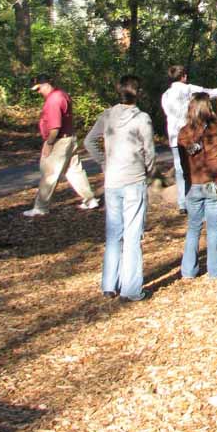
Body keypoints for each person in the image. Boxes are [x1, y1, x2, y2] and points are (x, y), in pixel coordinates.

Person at [84, 75, 156, 303]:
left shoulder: (108, 115)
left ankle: (108, 284)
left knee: (114, 234)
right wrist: (147, 170)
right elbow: (150, 151)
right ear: (139, 93)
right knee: (133, 235)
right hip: (133, 180)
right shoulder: (142, 118)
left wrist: (105, 163)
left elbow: (89, 141)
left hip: (113, 181)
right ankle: (131, 288)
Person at [178, 93, 217, 280]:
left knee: (193, 227)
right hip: (215, 182)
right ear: (209, 108)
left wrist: (189, 181)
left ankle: (189, 270)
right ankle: (214, 270)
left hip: (195, 183)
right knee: (213, 227)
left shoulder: (184, 132)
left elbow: (183, 163)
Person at [160, 66, 217, 214]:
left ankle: (183, 203)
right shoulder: (188, 89)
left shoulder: (166, 95)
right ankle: (206, 198)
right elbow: (208, 94)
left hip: (175, 136)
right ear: (184, 77)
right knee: (201, 163)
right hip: (192, 132)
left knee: (181, 169)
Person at [23, 73, 99, 218]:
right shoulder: (62, 94)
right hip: (69, 138)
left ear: (46, 85)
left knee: (49, 174)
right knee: (74, 171)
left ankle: (40, 207)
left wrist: (49, 143)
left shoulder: (53, 100)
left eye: (38, 89)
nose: (38, 92)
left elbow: (55, 127)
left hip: (58, 141)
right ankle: (90, 200)